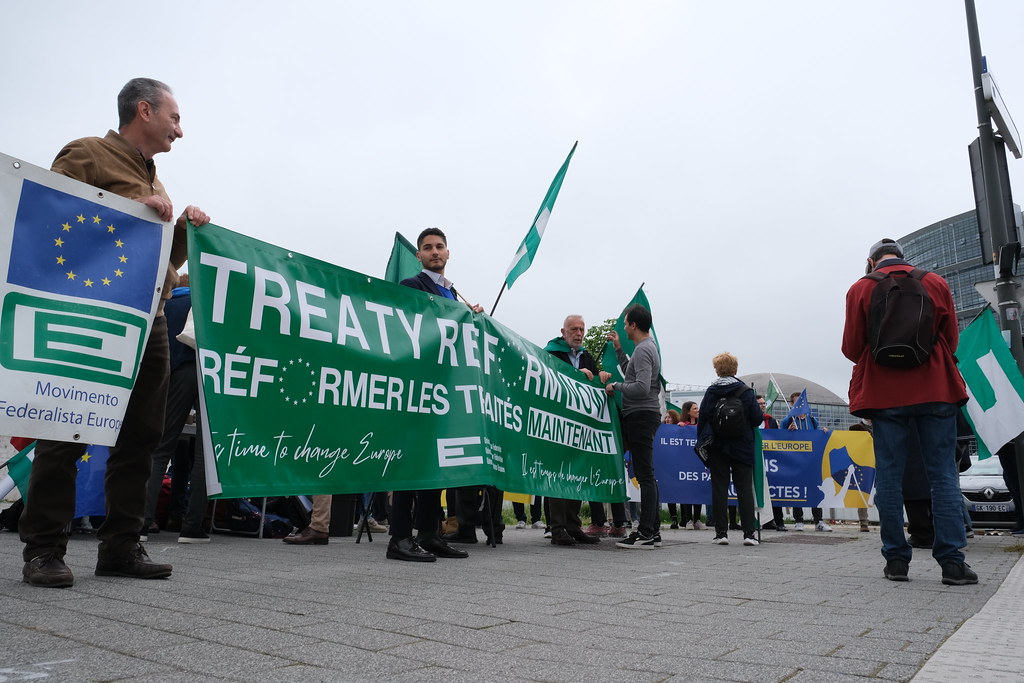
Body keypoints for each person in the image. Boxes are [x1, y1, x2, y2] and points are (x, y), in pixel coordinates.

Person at [19, 78, 210, 588]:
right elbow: (51, 221)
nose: (180, 130)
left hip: (151, 319)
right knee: (67, 427)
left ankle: (122, 545)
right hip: (92, 314)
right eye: (174, 118)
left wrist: (182, 233)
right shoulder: (86, 155)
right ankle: (43, 549)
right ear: (143, 110)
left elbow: (158, 262)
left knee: (142, 435)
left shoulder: (156, 178)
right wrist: (129, 213)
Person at [843, 238, 976, 585]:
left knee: (889, 476)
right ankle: (952, 563)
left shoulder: (861, 289)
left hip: (885, 394)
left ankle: (896, 561)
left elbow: (852, 347)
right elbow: (950, 338)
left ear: (870, 262)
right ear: (903, 257)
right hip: (935, 389)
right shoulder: (933, 281)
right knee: (943, 476)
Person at [387, 227, 481, 562]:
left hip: (445, 389)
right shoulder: (412, 287)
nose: (435, 252)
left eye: (440, 246)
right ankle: (399, 537)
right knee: (411, 463)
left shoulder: (455, 294)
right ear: (418, 255)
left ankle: (429, 534)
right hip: (419, 386)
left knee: (435, 465)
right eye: (427, 248)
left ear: (448, 252)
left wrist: (473, 320)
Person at [140, 275, 210, 544]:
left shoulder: (171, 303)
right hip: (211, 376)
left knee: (160, 450)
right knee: (206, 456)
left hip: (177, 373)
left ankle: (143, 523)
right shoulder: (217, 303)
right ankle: (192, 527)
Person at [543, 315, 611, 546]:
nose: (579, 333)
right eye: (574, 329)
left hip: (579, 429)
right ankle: (558, 529)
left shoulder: (587, 357)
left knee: (576, 475)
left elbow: (593, 386)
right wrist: (575, 375)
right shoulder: (551, 353)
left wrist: (600, 377)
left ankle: (573, 527)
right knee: (557, 475)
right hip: (557, 425)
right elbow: (548, 380)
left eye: (582, 329)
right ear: (563, 332)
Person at [605, 305, 663, 549]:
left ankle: (646, 532)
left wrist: (616, 387)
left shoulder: (643, 350)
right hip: (645, 415)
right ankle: (654, 531)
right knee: (647, 474)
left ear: (634, 326)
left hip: (640, 415)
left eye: (626, 323)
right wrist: (619, 349)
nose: (624, 327)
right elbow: (634, 373)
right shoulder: (647, 348)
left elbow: (638, 386)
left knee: (645, 474)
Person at [697, 353, 762, 546]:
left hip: (718, 446)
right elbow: (757, 419)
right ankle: (749, 534)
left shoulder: (711, 391)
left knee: (719, 489)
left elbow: (704, 419)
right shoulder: (745, 391)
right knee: (744, 489)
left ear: (717, 369)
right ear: (735, 369)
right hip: (742, 445)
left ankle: (721, 533)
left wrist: (704, 443)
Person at [780, 392, 832, 532]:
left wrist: (824, 433)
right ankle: (798, 520)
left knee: (815, 490)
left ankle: (819, 521)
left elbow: (817, 439)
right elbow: (779, 440)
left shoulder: (812, 420)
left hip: (811, 463)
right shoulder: (787, 421)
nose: (801, 406)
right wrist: (787, 432)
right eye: (798, 403)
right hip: (795, 462)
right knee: (797, 490)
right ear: (792, 405)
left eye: (803, 403)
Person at [755, 395, 789, 532]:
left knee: (775, 490)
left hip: (772, 461)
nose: (763, 406)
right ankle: (758, 520)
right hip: (757, 459)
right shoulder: (749, 420)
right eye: (759, 404)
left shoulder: (772, 421)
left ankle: (777, 521)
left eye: (763, 403)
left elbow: (778, 438)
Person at [676, 401, 706, 530]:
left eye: (698, 408)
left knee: (697, 490)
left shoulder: (702, 426)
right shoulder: (682, 427)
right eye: (695, 408)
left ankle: (697, 519)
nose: (697, 410)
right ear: (688, 411)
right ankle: (688, 519)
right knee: (687, 491)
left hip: (698, 463)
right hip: (685, 464)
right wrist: (679, 428)